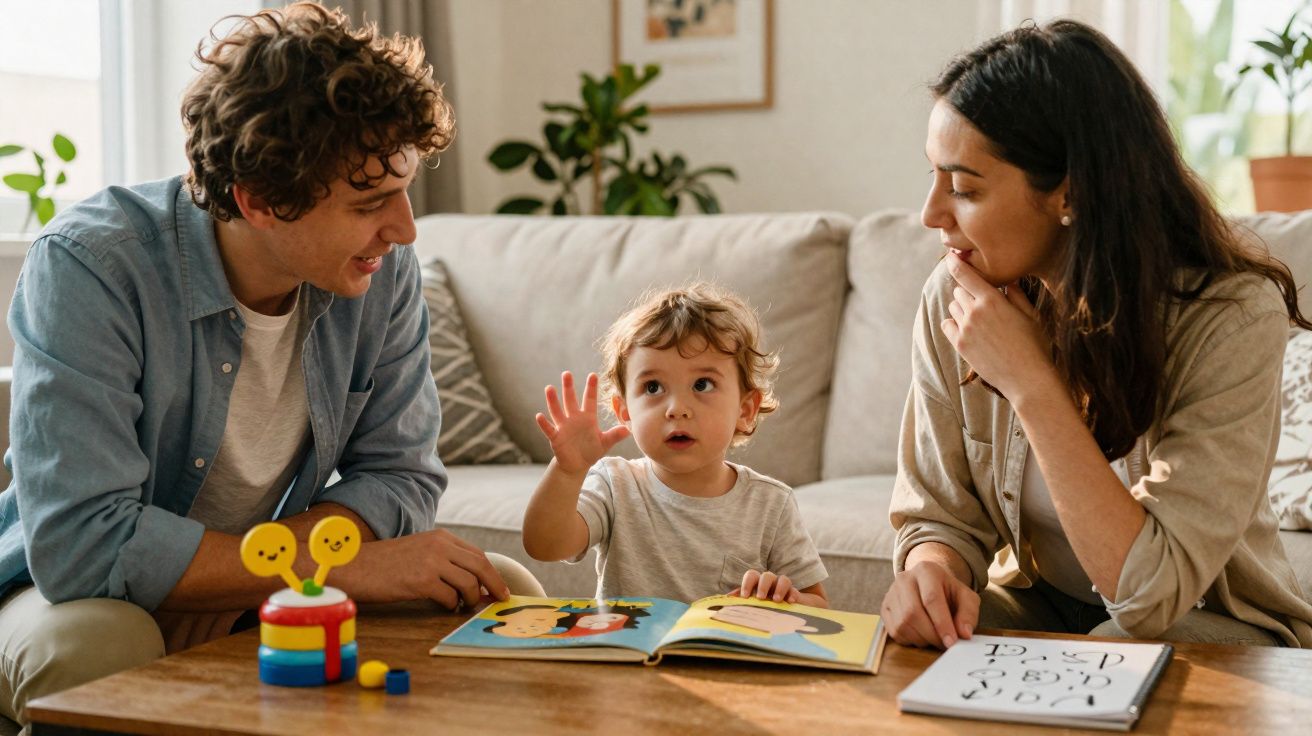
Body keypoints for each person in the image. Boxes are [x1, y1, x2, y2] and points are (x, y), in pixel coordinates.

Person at [0, 3, 540, 729]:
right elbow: (84, 544)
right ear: (258, 201)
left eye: (405, 188)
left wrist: (260, 579)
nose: (406, 227)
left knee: (492, 587)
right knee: (101, 643)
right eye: (371, 201)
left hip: (258, 579)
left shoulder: (383, 270)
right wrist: (328, 565)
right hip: (67, 592)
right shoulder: (92, 267)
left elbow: (401, 474)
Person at [884, 19, 1312, 650]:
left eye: (965, 187)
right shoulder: (952, 296)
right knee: (926, 647)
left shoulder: (1232, 317)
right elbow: (938, 513)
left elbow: (1149, 596)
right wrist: (932, 573)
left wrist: (1032, 383)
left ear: (1070, 192)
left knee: (1119, 644)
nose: (931, 215)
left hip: (1205, 621)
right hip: (1042, 601)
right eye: (934, 178)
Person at [521, 283, 829, 607]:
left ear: (745, 409)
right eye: (653, 387)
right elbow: (545, 546)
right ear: (624, 410)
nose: (676, 408)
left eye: (702, 384)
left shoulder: (771, 503)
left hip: (726, 656)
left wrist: (783, 599)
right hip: (627, 655)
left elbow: (819, 607)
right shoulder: (615, 484)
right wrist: (568, 473)